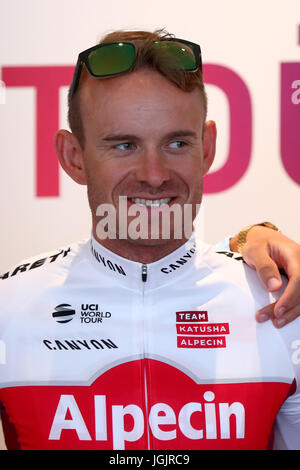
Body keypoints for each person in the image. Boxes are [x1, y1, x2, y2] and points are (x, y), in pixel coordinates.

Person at [0, 29, 299, 450]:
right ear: (73, 157)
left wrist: (252, 236)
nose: (154, 174)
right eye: (124, 145)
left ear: (208, 148)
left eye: (177, 142)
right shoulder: (8, 309)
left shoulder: (283, 307)